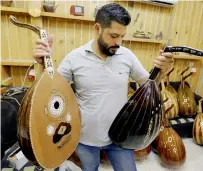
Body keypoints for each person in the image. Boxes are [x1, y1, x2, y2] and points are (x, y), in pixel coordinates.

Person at [33, 3, 173, 171]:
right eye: (114, 36)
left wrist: (161, 72)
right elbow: (52, 90)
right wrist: (42, 64)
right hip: (85, 139)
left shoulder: (127, 56)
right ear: (97, 28)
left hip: (120, 137)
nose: (119, 42)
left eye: (122, 36)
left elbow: (148, 85)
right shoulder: (74, 58)